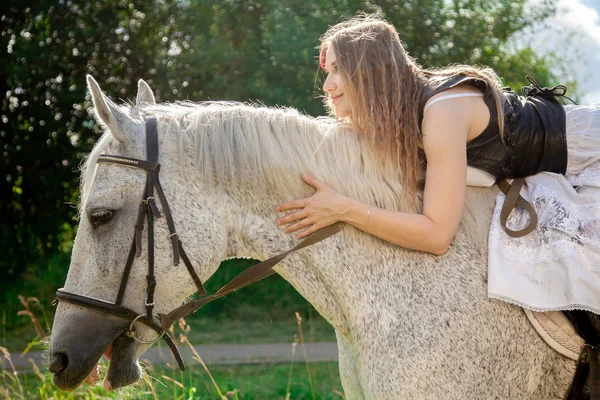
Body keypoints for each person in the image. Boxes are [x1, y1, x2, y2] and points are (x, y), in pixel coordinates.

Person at [275, 14, 600, 316]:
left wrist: (343, 209)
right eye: (327, 72)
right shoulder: (402, 117)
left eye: (336, 70)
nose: (327, 85)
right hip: (560, 169)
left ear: (367, 70)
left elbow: (436, 234)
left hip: (588, 154)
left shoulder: (440, 112)